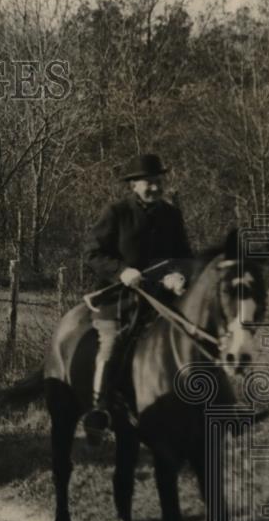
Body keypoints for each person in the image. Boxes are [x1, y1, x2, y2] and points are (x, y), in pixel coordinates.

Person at [83, 153, 194, 434]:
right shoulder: (116, 212)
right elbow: (93, 253)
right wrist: (121, 271)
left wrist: (178, 274)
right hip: (120, 296)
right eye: (148, 183)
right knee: (111, 344)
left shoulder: (172, 214)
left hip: (162, 296)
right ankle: (100, 408)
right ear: (133, 185)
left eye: (158, 182)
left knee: (194, 334)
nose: (155, 188)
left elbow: (185, 256)